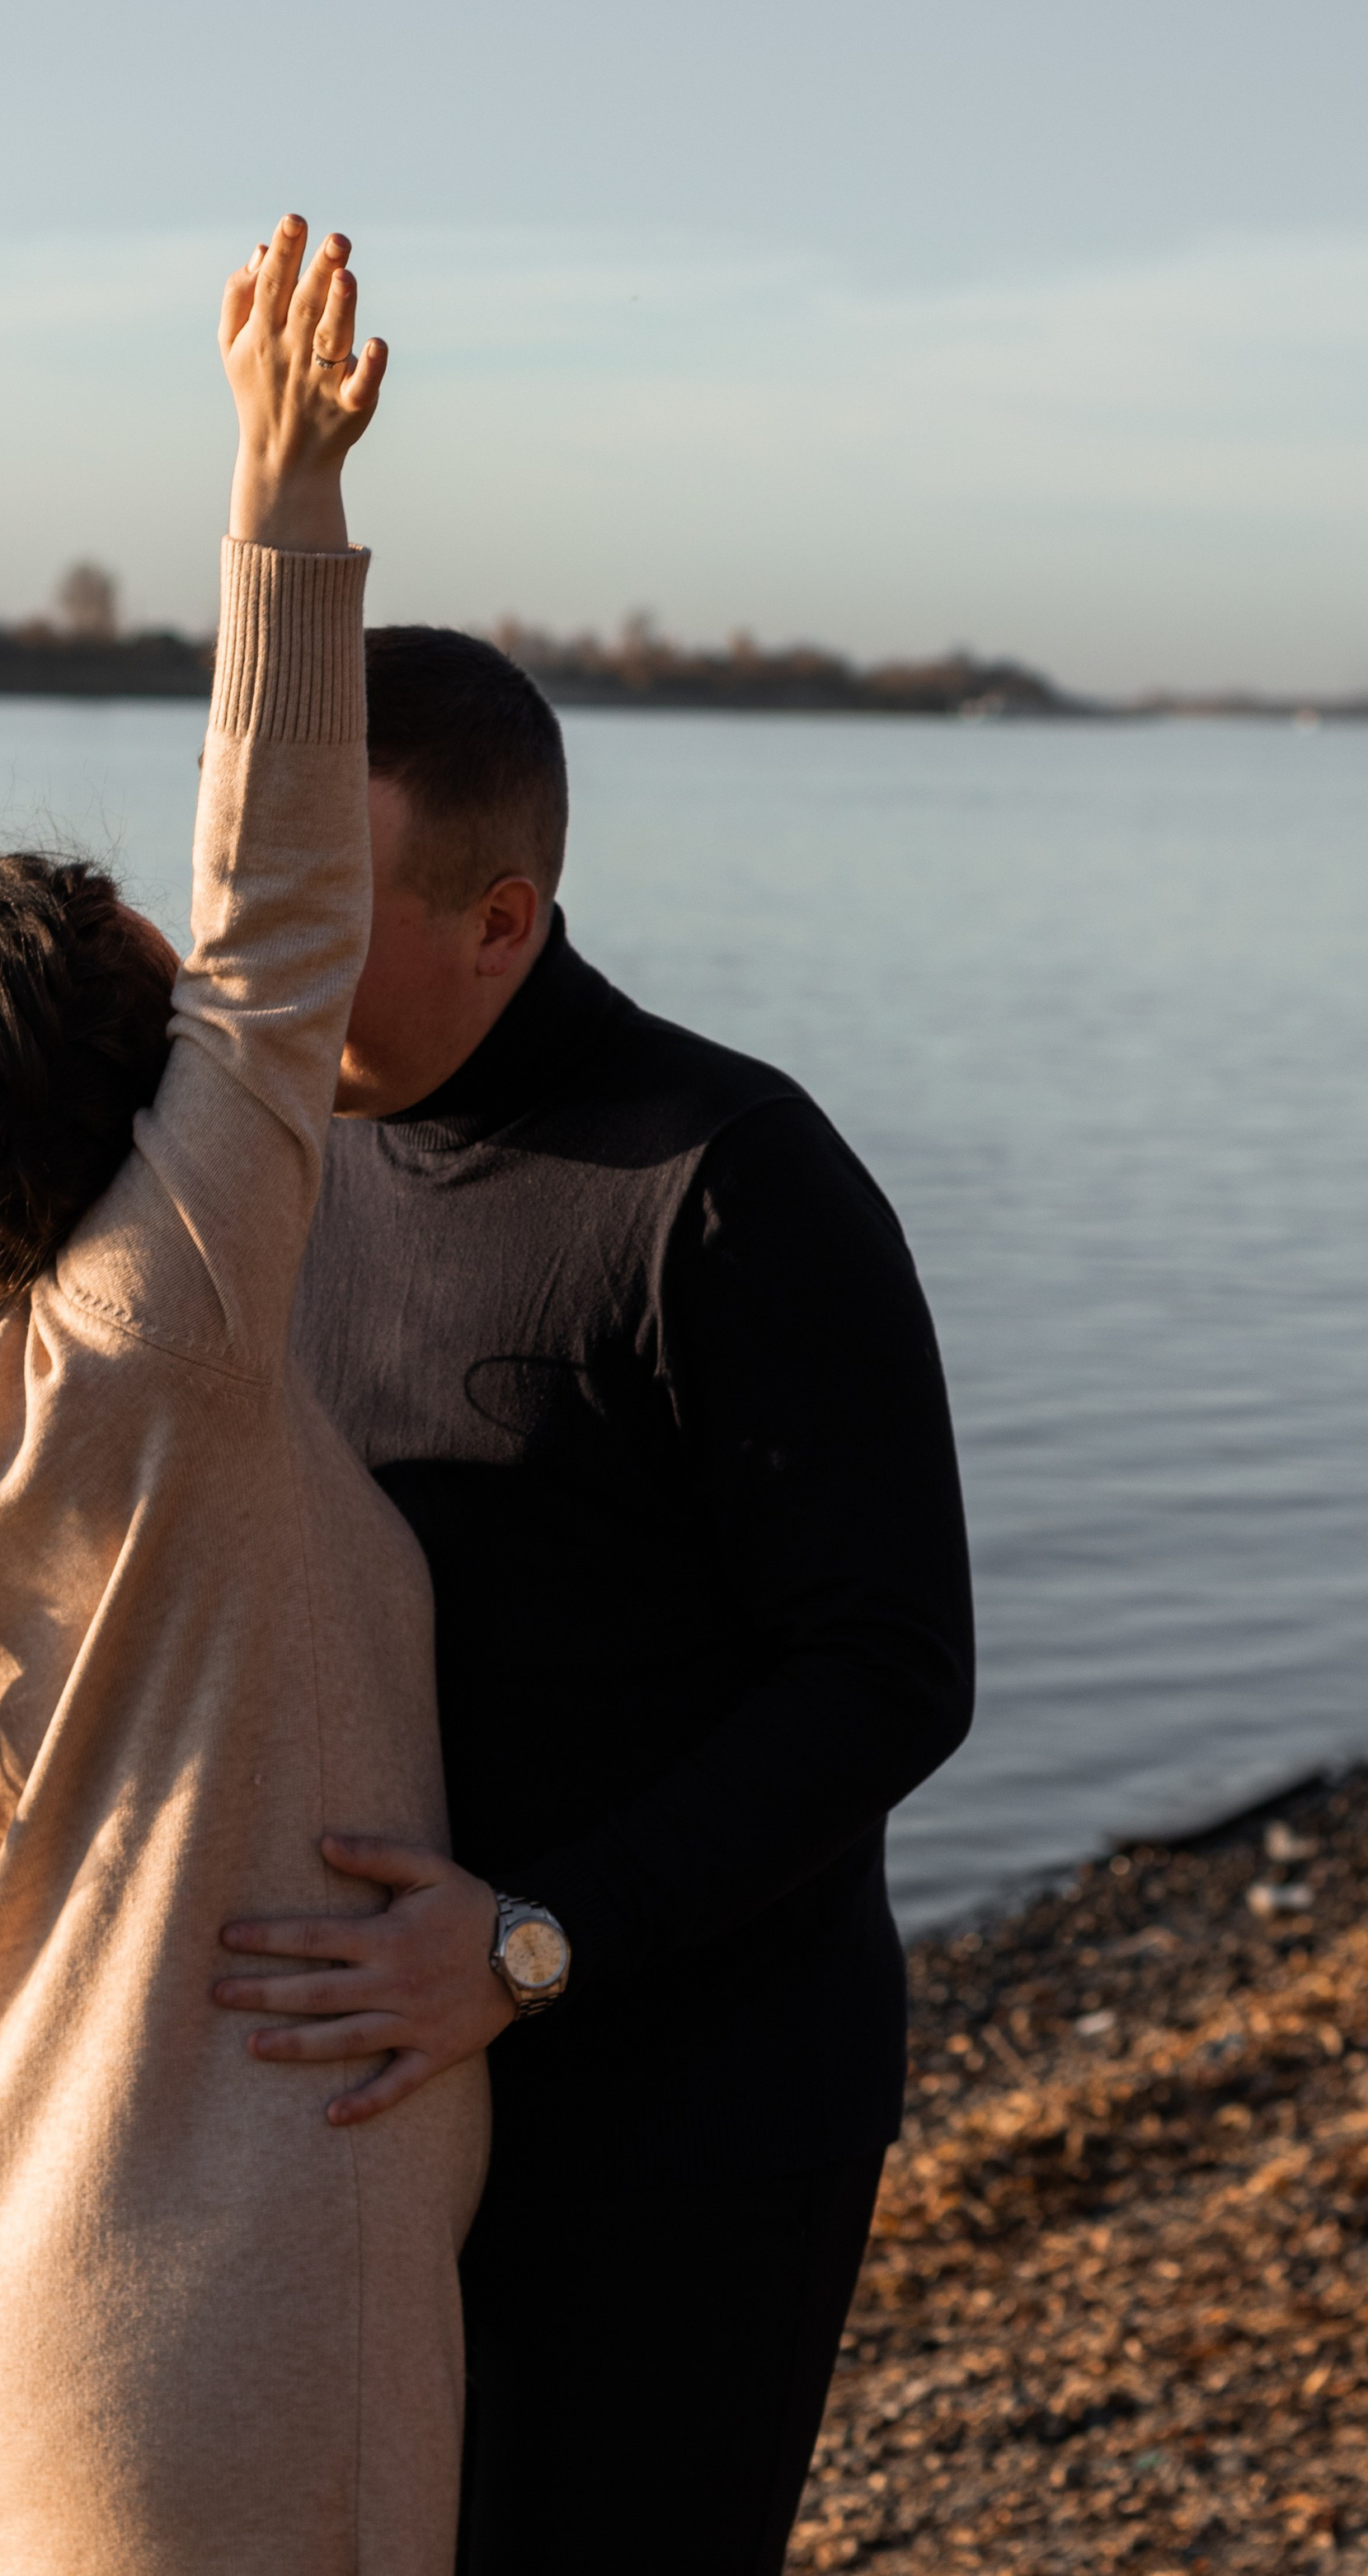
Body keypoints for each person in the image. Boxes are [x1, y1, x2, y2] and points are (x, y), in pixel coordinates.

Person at [0, 218, 489, 2576]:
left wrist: (128, 1829)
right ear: (124, 1070)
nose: (200, 988)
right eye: (142, 970)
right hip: (217, 2340)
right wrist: (284, 494)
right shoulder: (156, 1331)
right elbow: (282, 921)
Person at [214, 627, 976, 2574]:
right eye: (254, 892)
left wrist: (534, 1943)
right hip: (393, 2082)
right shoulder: (281, 1157)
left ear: (499, 917)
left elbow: (889, 1674)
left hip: (693, 2112)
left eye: (327, 907)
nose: (268, 957)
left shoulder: (724, 1182)